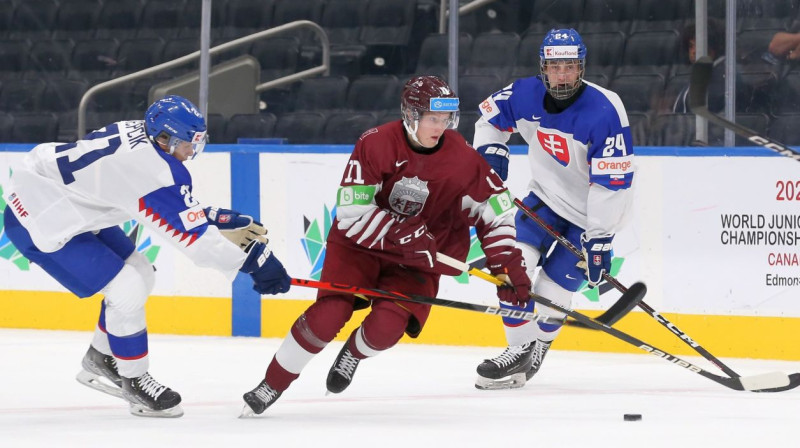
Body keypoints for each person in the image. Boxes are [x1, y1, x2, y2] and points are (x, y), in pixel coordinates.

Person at [240, 75, 531, 415]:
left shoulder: (464, 160)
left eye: (446, 119)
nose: (441, 127)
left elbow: (495, 210)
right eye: (432, 119)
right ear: (411, 115)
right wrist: (402, 233)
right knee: (328, 315)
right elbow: (351, 215)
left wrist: (506, 262)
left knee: (387, 327)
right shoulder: (376, 143)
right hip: (359, 247)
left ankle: (353, 354)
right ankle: (270, 384)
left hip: (418, 257)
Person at [2, 95, 291, 418]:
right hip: (41, 220)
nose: (192, 152)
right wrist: (255, 263)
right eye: (188, 144)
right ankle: (134, 378)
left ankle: (101, 356)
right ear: (165, 138)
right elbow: (193, 242)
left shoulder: (140, 138)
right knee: (127, 288)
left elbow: (143, 200)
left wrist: (212, 217)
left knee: (142, 272)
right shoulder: (153, 169)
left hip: (69, 204)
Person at [471, 28, 635, 390]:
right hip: (543, 200)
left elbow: (611, 185)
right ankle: (519, 352)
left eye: (570, 66)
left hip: (592, 212)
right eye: (555, 66)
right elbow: (488, 120)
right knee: (511, 271)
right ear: (543, 67)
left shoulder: (605, 110)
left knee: (552, 291)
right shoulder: (524, 92)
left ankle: (540, 343)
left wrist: (600, 238)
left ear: (582, 67)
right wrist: (491, 150)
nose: (562, 74)